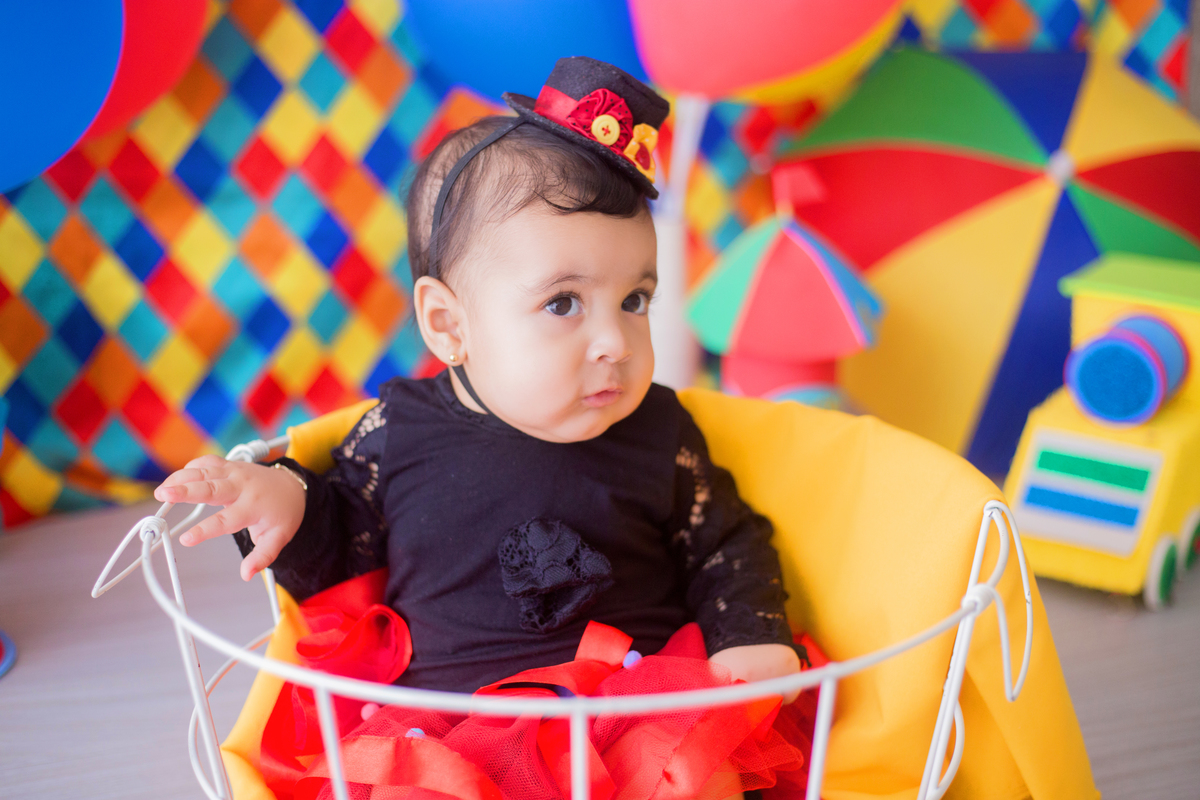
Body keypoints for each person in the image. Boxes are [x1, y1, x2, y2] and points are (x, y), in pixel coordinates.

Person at [155, 56, 815, 799]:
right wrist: (287, 503)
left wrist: (751, 633)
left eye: (635, 299)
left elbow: (725, 540)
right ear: (449, 325)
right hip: (450, 736)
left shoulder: (659, 428)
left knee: (695, 776)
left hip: (633, 713)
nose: (615, 342)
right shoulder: (399, 433)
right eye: (564, 303)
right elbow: (343, 554)